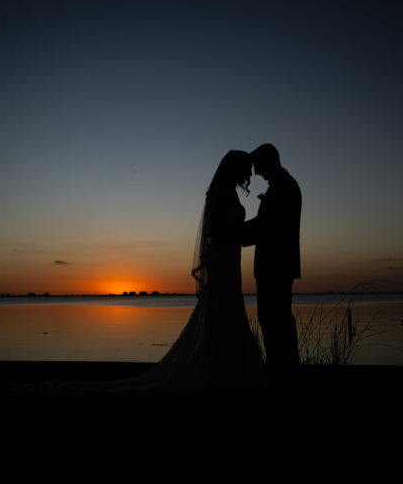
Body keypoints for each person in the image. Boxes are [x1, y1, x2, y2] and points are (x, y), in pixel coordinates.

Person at [99, 150, 266, 393]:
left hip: (229, 259)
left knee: (227, 312)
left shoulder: (225, 191)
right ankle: (222, 374)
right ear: (236, 168)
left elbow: (228, 229)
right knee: (224, 310)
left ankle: (224, 371)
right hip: (223, 261)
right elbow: (219, 230)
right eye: (246, 168)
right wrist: (254, 223)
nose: (250, 174)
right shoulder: (222, 193)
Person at [242, 143, 301, 389]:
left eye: (257, 166)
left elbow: (267, 226)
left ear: (268, 161)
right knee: (276, 322)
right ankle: (284, 374)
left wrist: (234, 234)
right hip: (276, 267)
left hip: (275, 267)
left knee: (275, 322)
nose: (255, 173)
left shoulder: (284, 187)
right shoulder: (282, 185)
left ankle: (283, 378)